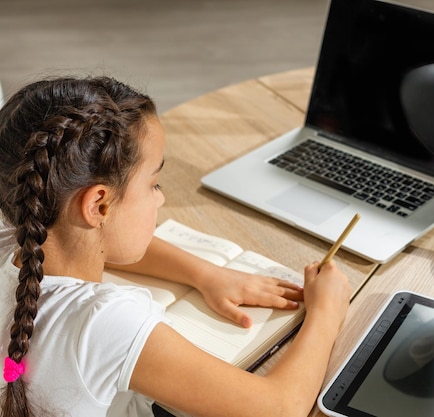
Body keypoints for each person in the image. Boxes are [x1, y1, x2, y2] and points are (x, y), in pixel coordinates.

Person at [0, 76, 352, 417]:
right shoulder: (102, 323)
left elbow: (82, 239)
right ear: (99, 205)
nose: (162, 198)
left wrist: (206, 273)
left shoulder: (14, 237)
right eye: (153, 183)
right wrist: (326, 313)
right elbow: (279, 408)